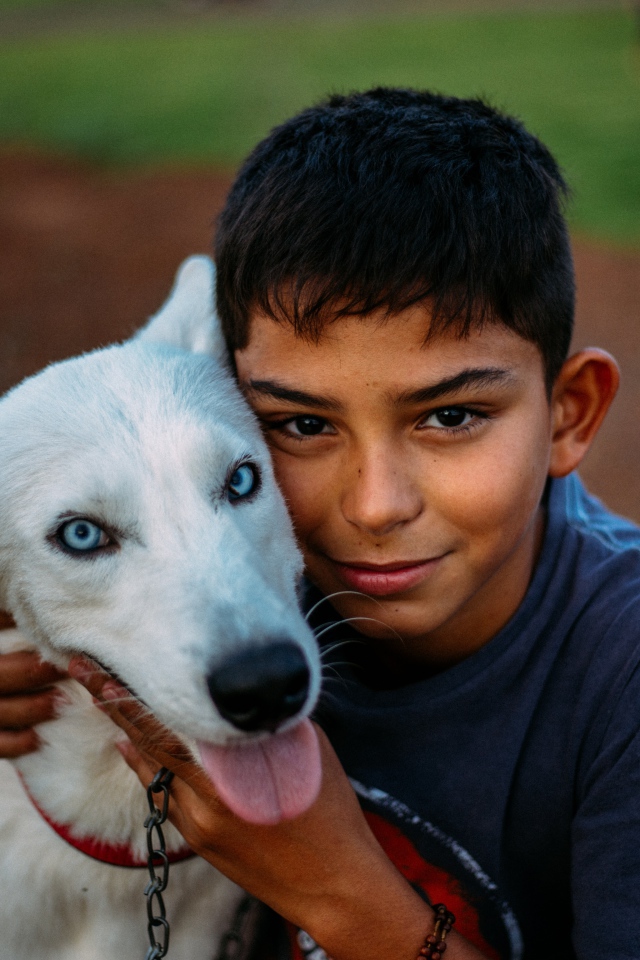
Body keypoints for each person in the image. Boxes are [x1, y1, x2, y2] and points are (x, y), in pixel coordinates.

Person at [1, 88, 638, 960]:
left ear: (568, 414)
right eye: (301, 425)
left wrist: (337, 892)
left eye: (451, 417)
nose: (376, 507)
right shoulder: (300, 554)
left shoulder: (619, 671)